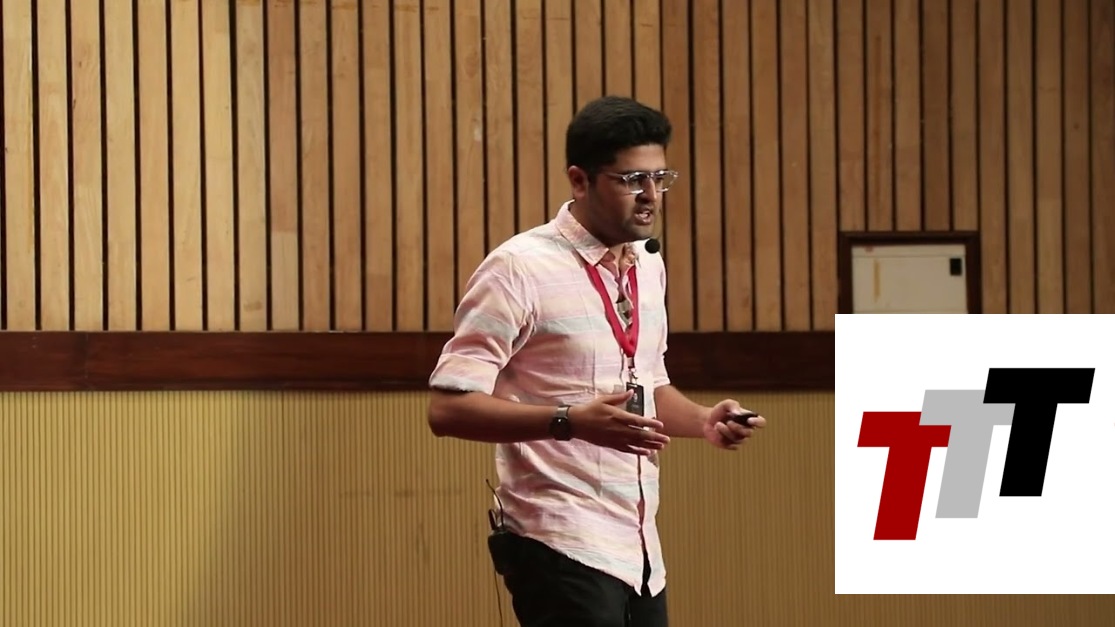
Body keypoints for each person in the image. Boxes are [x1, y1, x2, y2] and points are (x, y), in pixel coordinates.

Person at [426, 95, 767, 627]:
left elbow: (647, 384)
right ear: (579, 180)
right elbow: (447, 410)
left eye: (660, 178)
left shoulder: (647, 266)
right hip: (556, 538)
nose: (650, 196)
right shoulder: (517, 268)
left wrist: (703, 420)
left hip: (639, 547)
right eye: (632, 180)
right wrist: (568, 421)